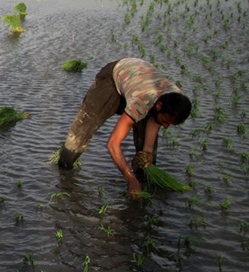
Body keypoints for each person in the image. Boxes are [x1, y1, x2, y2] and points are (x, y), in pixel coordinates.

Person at [58, 57, 191, 198]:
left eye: (170, 124)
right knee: (81, 131)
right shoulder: (141, 102)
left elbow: (155, 121)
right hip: (114, 78)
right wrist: (129, 178)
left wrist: (147, 152)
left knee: (145, 158)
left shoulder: (176, 99)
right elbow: (113, 144)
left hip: (139, 85)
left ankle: (142, 186)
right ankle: (65, 178)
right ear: (159, 106)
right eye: (165, 121)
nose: (166, 127)